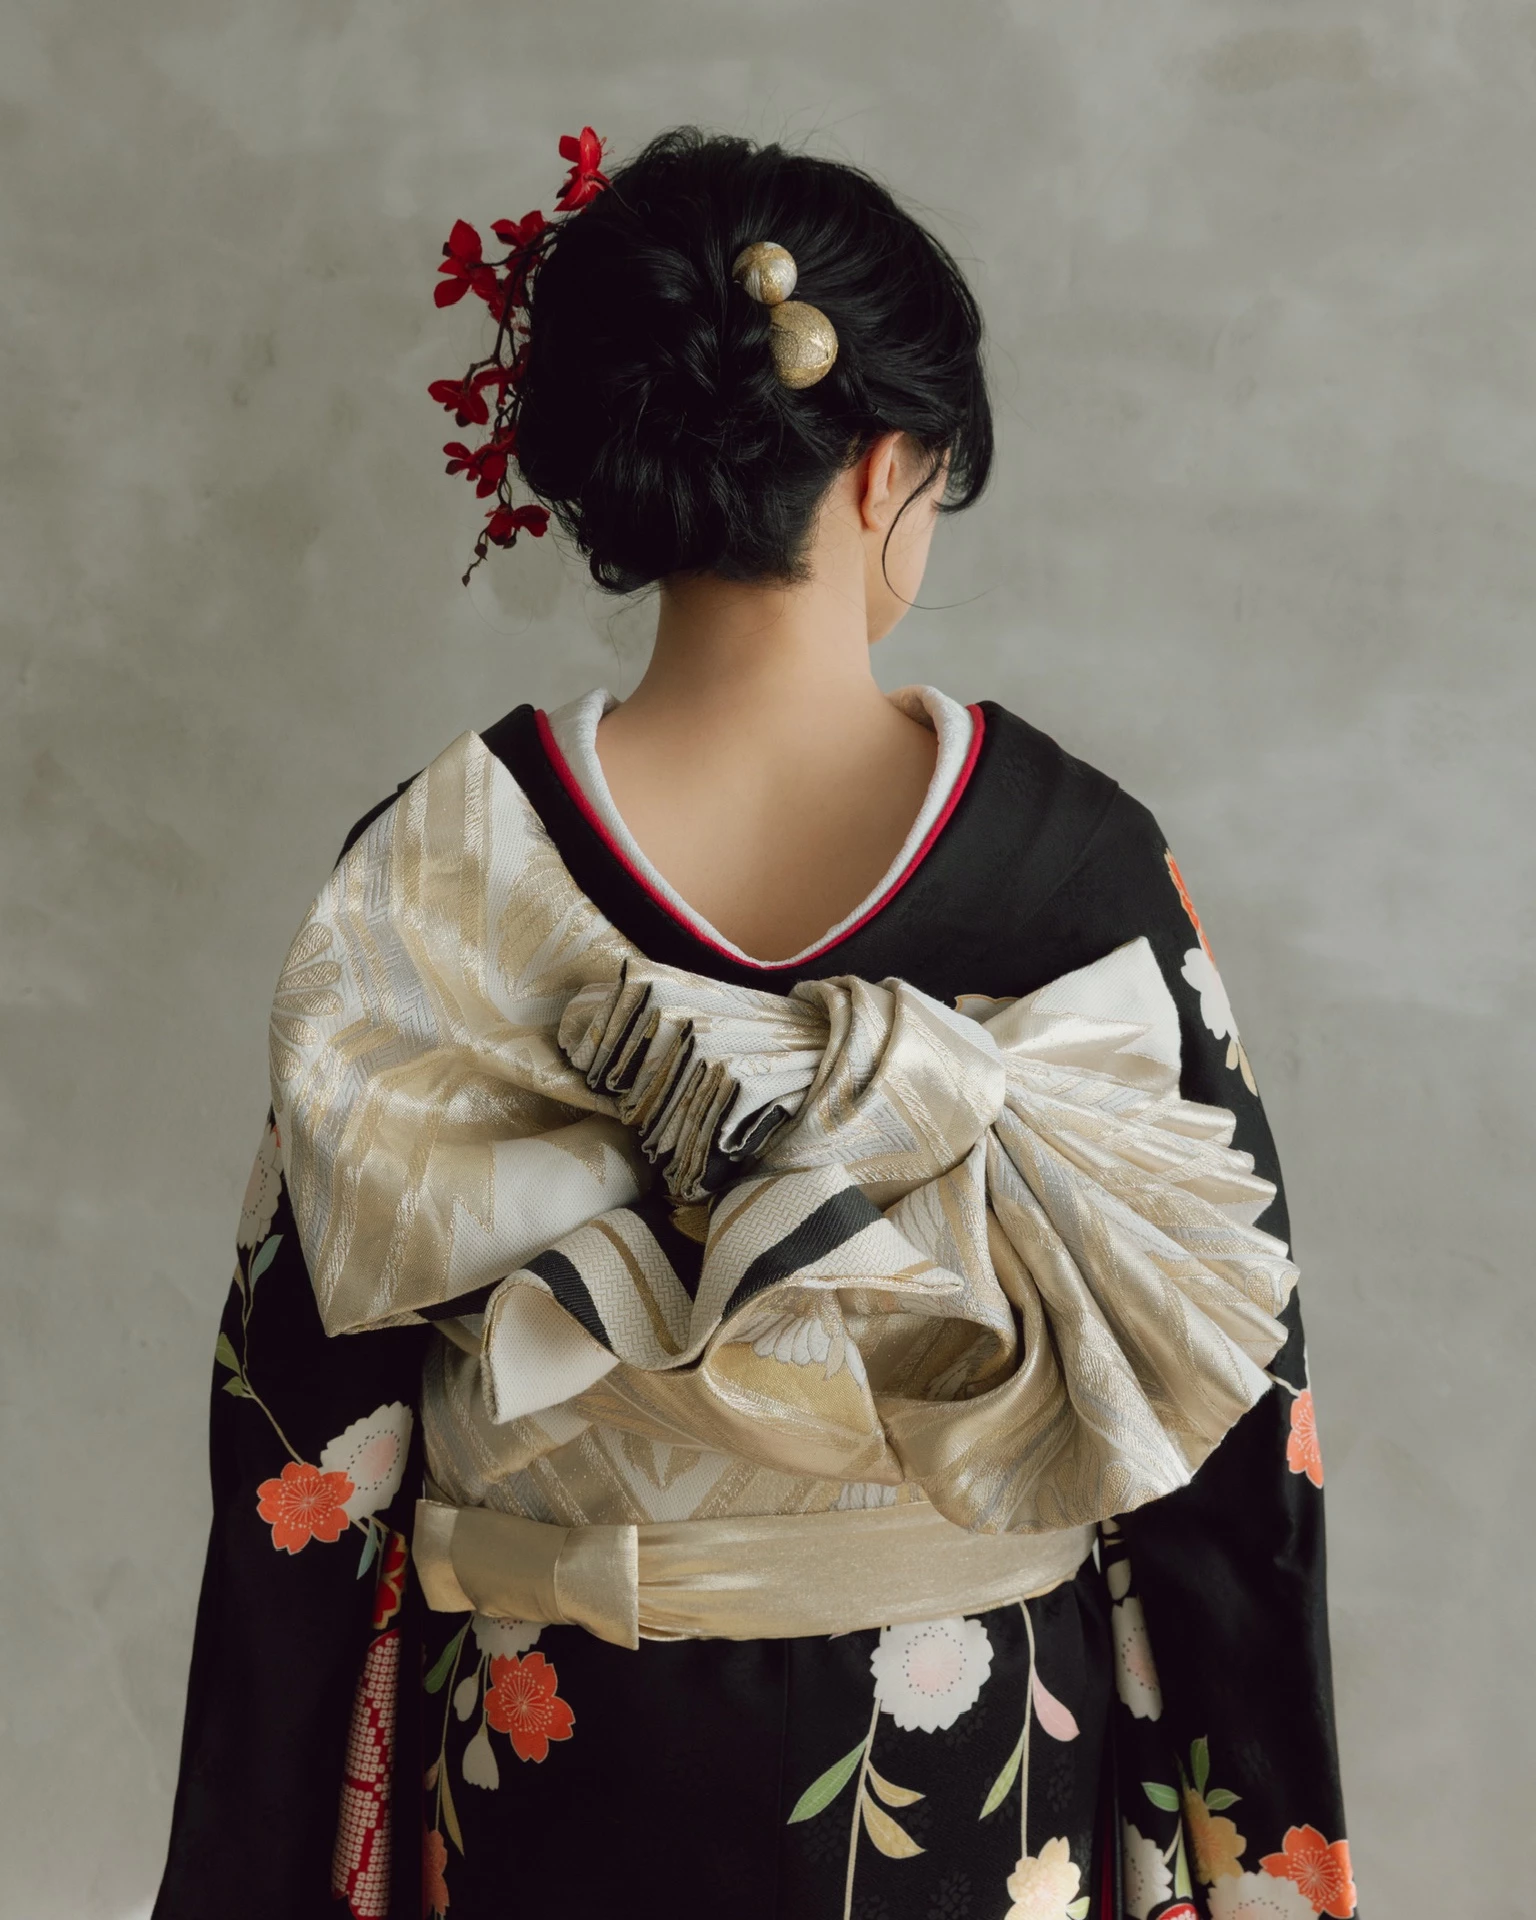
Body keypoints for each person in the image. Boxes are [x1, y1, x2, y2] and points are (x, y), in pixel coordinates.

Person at [152, 125, 1355, 1920]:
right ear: (885, 474)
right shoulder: (1076, 865)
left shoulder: (445, 866)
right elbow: (1227, 1427)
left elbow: (300, 1440)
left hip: (550, 1759)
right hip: (974, 1775)